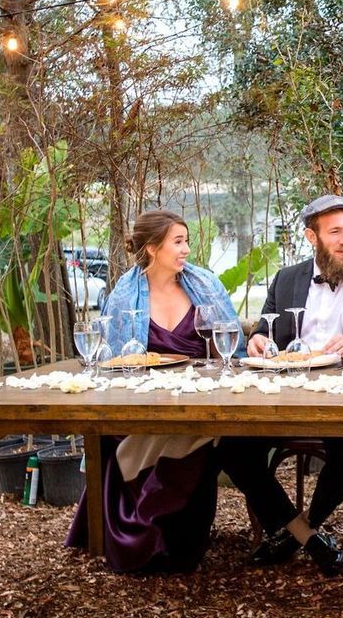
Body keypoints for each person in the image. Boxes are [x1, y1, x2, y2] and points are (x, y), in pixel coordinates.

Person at [66, 209, 245, 572]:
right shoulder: (123, 296)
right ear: (151, 248)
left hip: (203, 403)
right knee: (134, 434)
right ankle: (140, 537)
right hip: (144, 402)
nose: (187, 250)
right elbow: (113, 360)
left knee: (196, 434)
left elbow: (230, 352)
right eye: (178, 242)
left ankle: (178, 539)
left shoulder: (204, 286)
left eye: (186, 241)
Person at [235, 193, 343, 572]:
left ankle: (300, 531)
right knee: (233, 449)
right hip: (283, 394)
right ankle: (307, 537)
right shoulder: (286, 279)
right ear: (313, 238)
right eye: (335, 232)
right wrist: (257, 339)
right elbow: (266, 329)